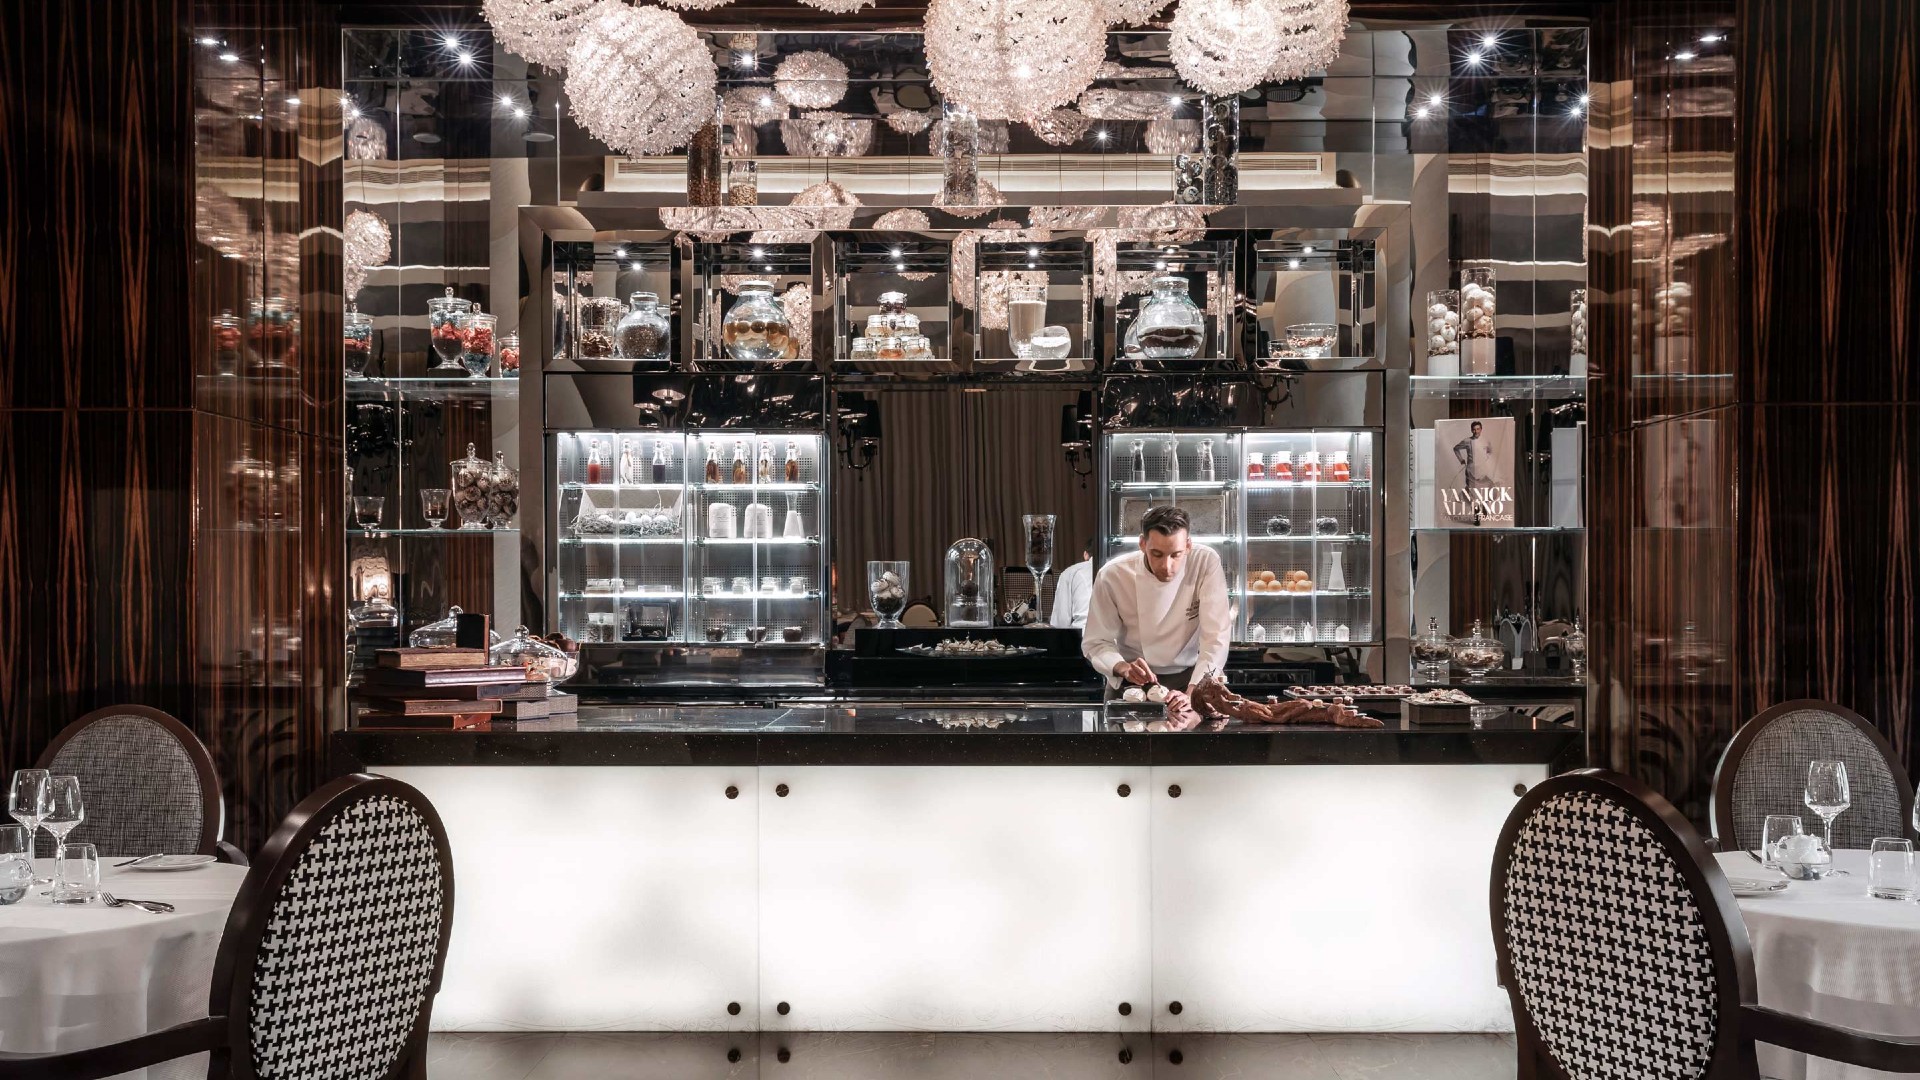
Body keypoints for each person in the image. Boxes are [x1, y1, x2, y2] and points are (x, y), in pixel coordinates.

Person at [1082, 507, 1232, 694]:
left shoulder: (1205, 562)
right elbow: (1095, 642)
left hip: (1192, 677)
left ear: (1188, 546)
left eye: (1176, 555)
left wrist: (1194, 694)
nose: (1166, 566)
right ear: (1142, 544)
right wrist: (1123, 667)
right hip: (1131, 683)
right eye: (1157, 554)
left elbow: (1216, 638)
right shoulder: (1113, 575)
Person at [1048, 538, 1095, 629]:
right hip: (1118, 639)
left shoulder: (1071, 572)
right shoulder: (1120, 571)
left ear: (1085, 555)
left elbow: (1060, 624)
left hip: (1081, 638)